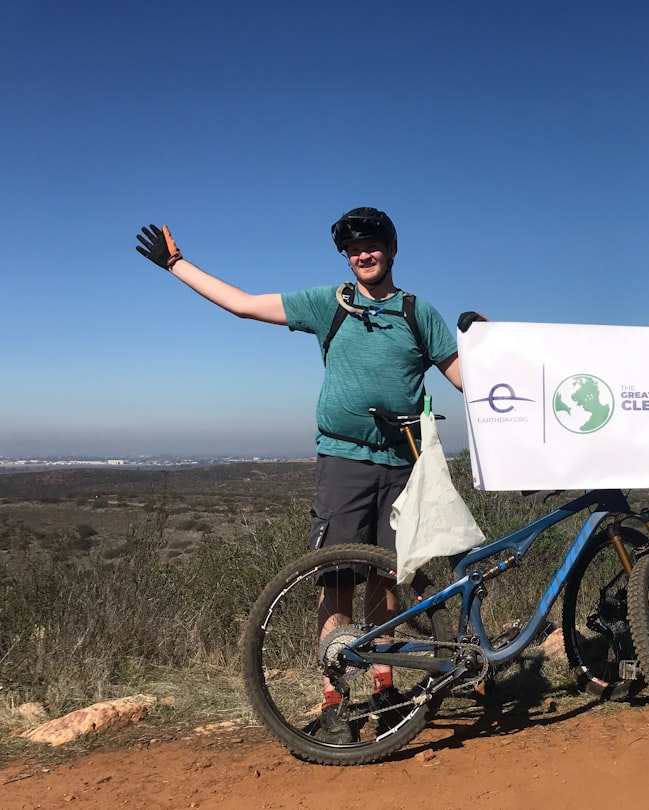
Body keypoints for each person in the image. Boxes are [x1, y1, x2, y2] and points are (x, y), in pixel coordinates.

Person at [135, 207, 464, 744]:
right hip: (344, 460)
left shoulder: (416, 313)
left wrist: (502, 354)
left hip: (403, 463)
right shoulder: (328, 304)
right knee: (335, 579)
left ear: (392, 248)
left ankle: (384, 687)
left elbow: (464, 376)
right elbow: (243, 305)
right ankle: (336, 699)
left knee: (387, 576)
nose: (363, 254)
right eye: (354, 248)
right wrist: (176, 264)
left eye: (372, 243)